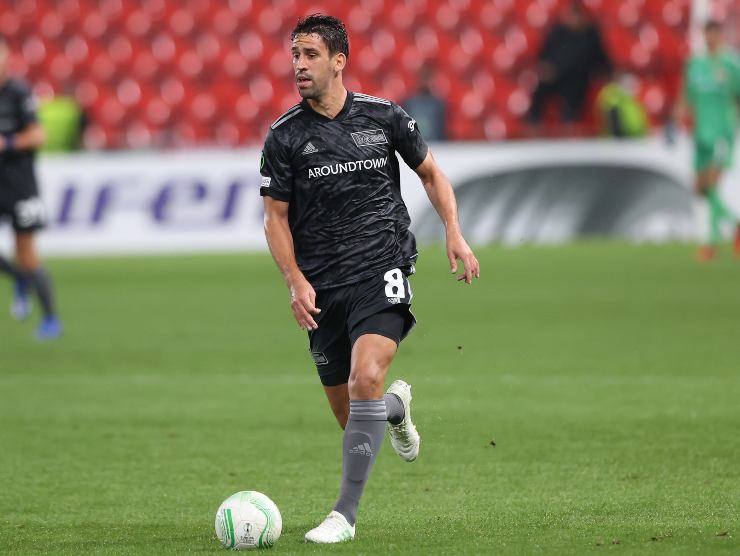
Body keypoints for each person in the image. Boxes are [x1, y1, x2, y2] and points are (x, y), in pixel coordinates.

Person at [259, 14, 480, 544]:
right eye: (295, 55)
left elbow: (431, 173)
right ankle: (396, 410)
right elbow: (275, 218)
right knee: (352, 409)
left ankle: (344, 517)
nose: (299, 65)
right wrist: (294, 280)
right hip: (321, 285)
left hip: (382, 266)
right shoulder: (285, 136)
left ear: (339, 61)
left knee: (364, 381)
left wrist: (454, 232)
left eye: (310, 55)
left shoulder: (383, 119)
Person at [0, 35, 62, 339]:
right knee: (20, 262)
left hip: (20, 186)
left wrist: (8, 142)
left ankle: (51, 318)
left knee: (26, 253)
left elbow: (39, 135)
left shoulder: (18, 93)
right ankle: (18, 279)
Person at [676, 20, 740, 261]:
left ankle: (709, 244)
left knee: (712, 185)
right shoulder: (695, 65)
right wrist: (677, 116)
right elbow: (686, 96)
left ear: (720, 35)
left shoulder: (732, 64)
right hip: (700, 133)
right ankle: (736, 223)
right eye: (707, 34)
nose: (710, 38)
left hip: (722, 132)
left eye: (714, 33)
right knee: (700, 189)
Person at [526, 0, 611, 133]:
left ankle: (569, 126)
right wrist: (545, 70)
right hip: (556, 75)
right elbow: (543, 58)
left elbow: (602, 61)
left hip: (579, 79)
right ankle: (533, 124)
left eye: (577, 15)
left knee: (574, 92)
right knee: (540, 87)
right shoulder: (557, 33)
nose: (574, 19)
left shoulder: (591, 35)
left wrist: (603, 74)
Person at [402, 66, 447, 141]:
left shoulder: (438, 104)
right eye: (424, 79)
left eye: (428, 79)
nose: (426, 83)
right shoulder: (410, 103)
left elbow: (442, 129)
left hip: (436, 146)